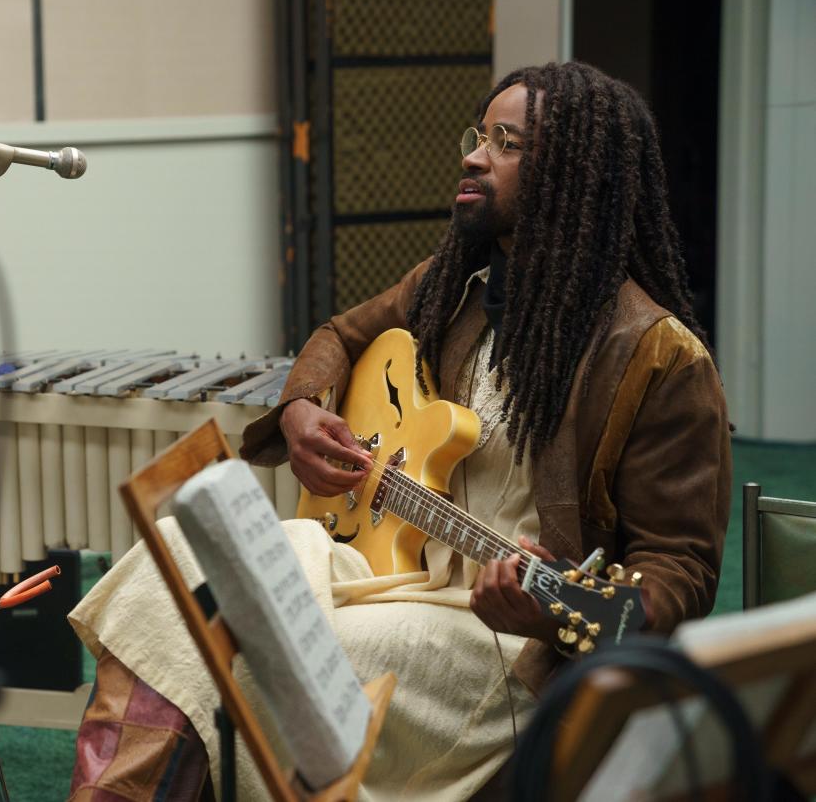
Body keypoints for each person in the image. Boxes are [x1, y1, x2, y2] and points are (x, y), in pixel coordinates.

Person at [66, 61, 730, 801]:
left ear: (576, 176)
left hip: (501, 646)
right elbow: (338, 337)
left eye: (507, 143)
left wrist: (546, 611)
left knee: (257, 653)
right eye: (481, 135)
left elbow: (682, 569)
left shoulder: (657, 356)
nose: (473, 155)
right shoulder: (453, 286)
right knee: (178, 565)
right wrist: (300, 409)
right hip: (391, 568)